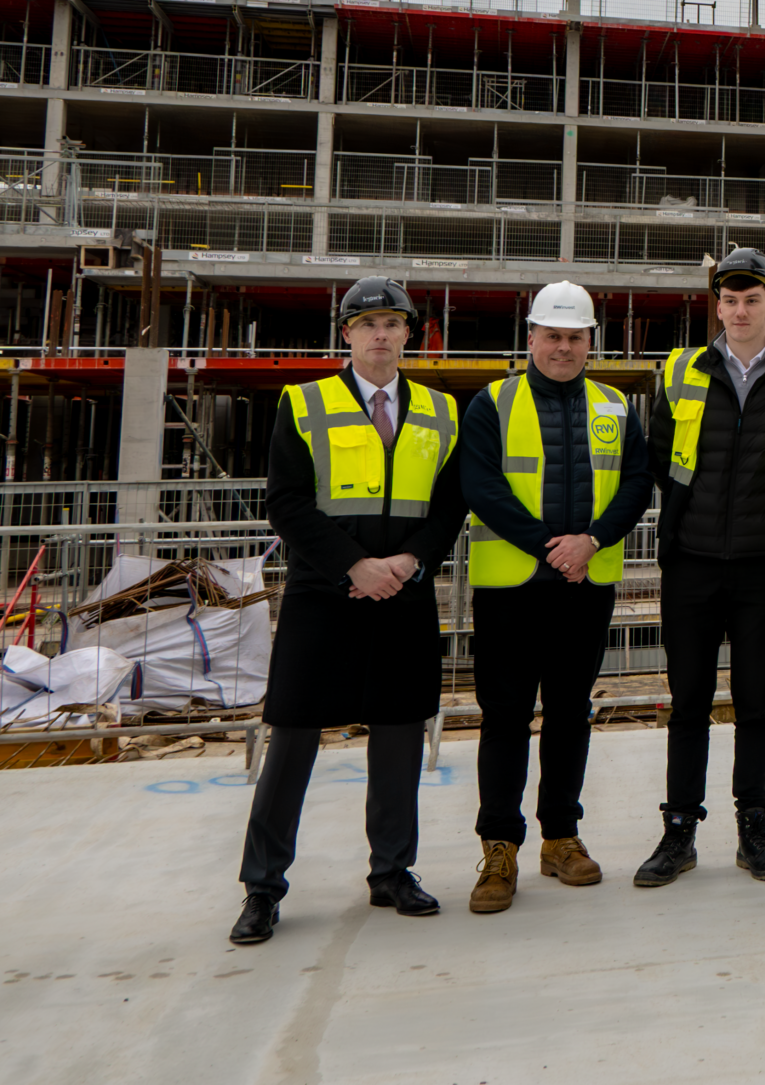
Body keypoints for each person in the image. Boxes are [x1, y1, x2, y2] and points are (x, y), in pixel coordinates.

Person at [229, 276, 466, 945]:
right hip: (323, 593)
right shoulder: (303, 403)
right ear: (346, 334)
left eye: (393, 324)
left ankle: (393, 869)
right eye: (367, 324)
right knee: (294, 736)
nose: (381, 335)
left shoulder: (441, 411)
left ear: (408, 334)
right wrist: (353, 565)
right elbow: (287, 501)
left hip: (405, 593)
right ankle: (263, 886)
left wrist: (409, 561)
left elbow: (450, 503)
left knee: (398, 734)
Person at [633, 246, 765, 890]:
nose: (739, 310)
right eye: (729, 299)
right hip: (692, 561)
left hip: (761, 568)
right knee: (689, 702)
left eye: (752, 300)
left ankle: (754, 827)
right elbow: (662, 455)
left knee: (753, 703)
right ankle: (680, 831)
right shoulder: (681, 370)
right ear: (716, 306)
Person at [457, 280, 653, 914]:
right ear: (532, 337)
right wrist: (553, 546)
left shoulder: (617, 407)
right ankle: (498, 847)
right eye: (552, 336)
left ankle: (560, 836)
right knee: (506, 718)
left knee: (570, 714)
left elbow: (635, 484)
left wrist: (591, 541)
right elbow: (481, 486)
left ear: (589, 342)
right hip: (513, 588)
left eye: (574, 337)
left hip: (584, 587)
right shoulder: (492, 402)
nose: (563, 347)